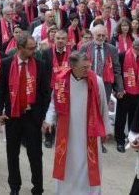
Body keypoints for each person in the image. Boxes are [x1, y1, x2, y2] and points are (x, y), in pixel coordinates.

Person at [42, 50, 111, 195]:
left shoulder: (96, 80)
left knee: (90, 164)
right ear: (73, 67)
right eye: (84, 67)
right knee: (68, 164)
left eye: (88, 66)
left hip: (90, 130)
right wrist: (49, 120)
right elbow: (54, 103)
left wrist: (106, 129)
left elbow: (103, 105)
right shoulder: (61, 80)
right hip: (68, 131)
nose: (88, 70)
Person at [0, 34, 50, 195]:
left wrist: (43, 117)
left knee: (35, 155)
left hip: (32, 117)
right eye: (31, 48)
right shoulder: (6, 64)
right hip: (12, 116)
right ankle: (14, 186)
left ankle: (38, 187)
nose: (34, 50)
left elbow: (46, 93)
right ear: (20, 48)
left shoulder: (40, 65)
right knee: (12, 154)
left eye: (35, 47)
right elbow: (0, 90)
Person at [115, 38, 139, 152]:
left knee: (135, 117)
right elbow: (118, 73)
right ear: (136, 48)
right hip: (125, 91)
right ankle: (120, 140)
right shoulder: (122, 55)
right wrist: (119, 89)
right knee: (121, 117)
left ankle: (132, 139)